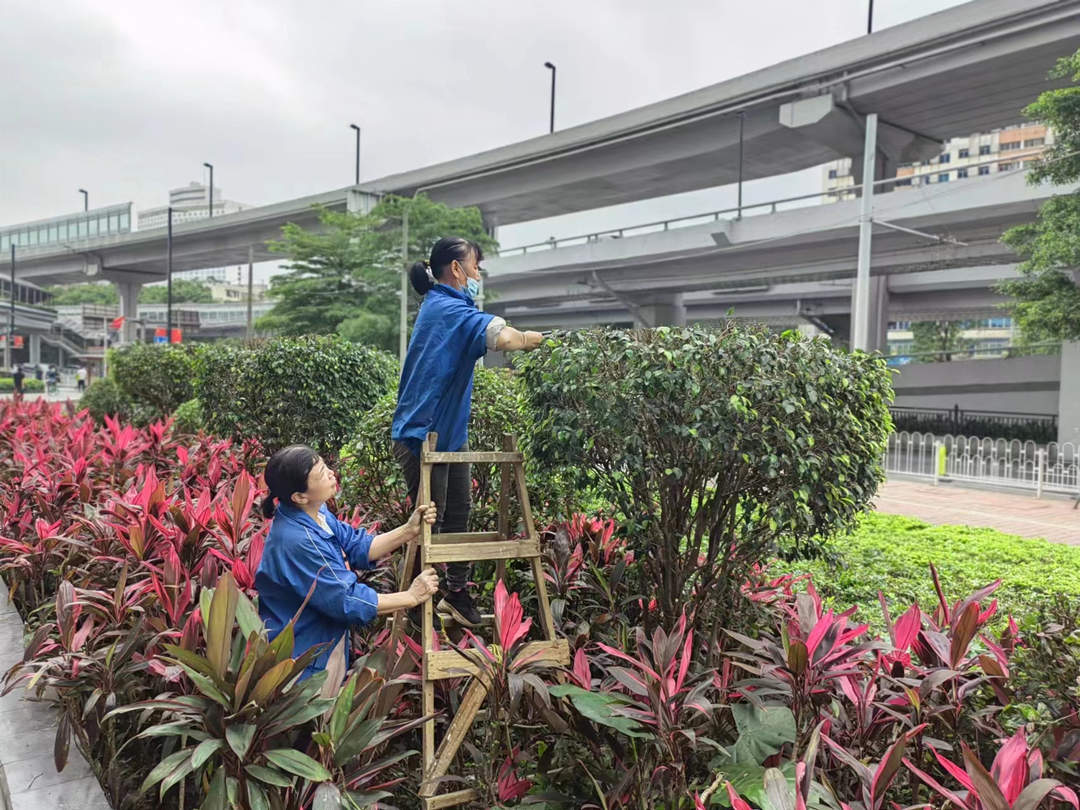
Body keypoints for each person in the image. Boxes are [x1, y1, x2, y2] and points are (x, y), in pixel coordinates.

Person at [391, 237, 544, 628]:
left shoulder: (447, 306)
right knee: (431, 523)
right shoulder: (446, 308)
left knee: (459, 511)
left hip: (449, 434)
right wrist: (534, 340)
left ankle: (457, 592)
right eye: (474, 265)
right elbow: (502, 337)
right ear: (456, 270)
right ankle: (414, 608)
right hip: (423, 435)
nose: (478, 273)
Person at [255, 444, 440, 681]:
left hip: (325, 641)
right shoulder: (299, 541)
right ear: (300, 496)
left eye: (325, 466)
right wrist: (412, 596)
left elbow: (356, 545)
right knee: (318, 716)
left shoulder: (315, 514)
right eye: (322, 473)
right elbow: (347, 599)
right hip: (304, 659)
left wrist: (408, 530)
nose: (331, 473)